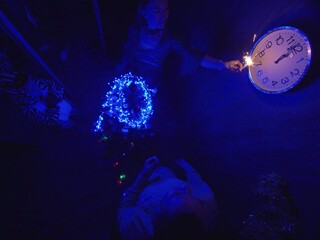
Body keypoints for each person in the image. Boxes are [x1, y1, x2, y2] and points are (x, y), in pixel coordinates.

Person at [116, 0, 244, 90]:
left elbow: (195, 55)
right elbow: (128, 50)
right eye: (157, 11)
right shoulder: (135, 29)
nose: (163, 16)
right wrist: (121, 68)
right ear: (144, 12)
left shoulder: (170, 39)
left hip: (151, 85)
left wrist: (223, 65)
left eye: (166, 10)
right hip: (129, 78)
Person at [117, 156, 218, 240]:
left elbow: (124, 206)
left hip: (140, 178)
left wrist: (142, 175)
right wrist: (182, 161)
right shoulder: (206, 204)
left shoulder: (137, 231)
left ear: (158, 218)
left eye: (175, 194)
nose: (181, 188)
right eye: (189, 193)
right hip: (168, 168)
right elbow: (196, 181)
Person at [0, 51, 74, 128]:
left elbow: (45, 119)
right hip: (36, 88)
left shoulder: (59, 121)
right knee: (20, 83)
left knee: (19, 89)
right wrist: (55, 97)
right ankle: (13, 77)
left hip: (27, 99)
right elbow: (55, 88)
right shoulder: (66, 101)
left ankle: (13, 79)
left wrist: (51, 105)